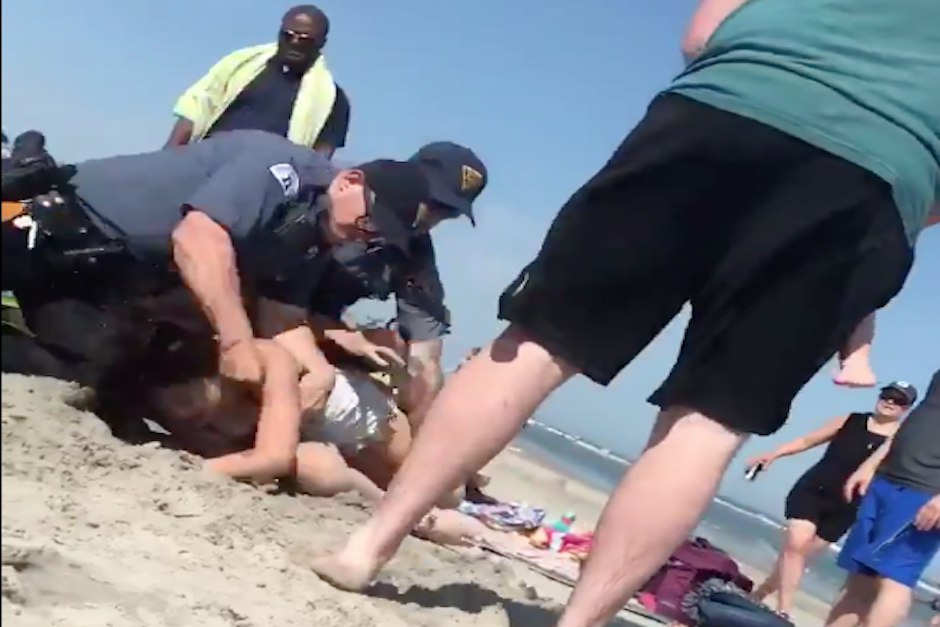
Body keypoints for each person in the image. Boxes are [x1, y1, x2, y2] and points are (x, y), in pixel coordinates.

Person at [307, 2, 939, 626]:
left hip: (732, 102)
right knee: (708, 424)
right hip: (875, 179)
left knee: (536, 344)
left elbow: (702, 32)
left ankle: (369, 546)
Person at [1, 129, 428, 395]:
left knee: (95, 369)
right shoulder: (278, 168)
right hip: (49, 222)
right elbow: (198, 237)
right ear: (349, 181)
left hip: (94, 275)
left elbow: (283, 316)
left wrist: (323, 369)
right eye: (369, 218)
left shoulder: (317, 238)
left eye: (377, 233)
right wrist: (236, 342)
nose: (365, 232)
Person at [306, 142, 488, 430]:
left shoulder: (415, 252)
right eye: (434, 203)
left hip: (318, 336)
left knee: (401, 356)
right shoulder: (334, 191)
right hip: (265, 317)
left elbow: (425, 357)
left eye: (448, 213)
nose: (435, 218)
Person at [746, 382, 916, 618]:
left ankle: (761, 592)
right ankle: (783, 609)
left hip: (848, 506)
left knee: (800, 557)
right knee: (796, 543)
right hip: (814, 489)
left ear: (907, 409)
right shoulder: (850, 420)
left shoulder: (901, 441)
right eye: (887, 396)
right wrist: (772, 454)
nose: (890, 402)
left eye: (899, 401)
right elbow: (807, 440)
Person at [825, 370, 940, 627]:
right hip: (888, 477)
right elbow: (921, 419)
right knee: (860, 575)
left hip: (925, 491)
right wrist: (871, 465)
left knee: (894, 579)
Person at [166, 5, 349, 158]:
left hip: (263, 181)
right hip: (207, 156)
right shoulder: (239, 64)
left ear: (321, 43)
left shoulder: (333, 99)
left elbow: (318, 160)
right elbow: (196, 108)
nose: (294, 43)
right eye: (288, 35)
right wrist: (167, 156)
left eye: (305, 40)